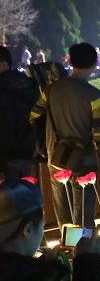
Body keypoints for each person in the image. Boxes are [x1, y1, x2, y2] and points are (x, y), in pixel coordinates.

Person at [30, 43, 100, 228]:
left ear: (71, 61)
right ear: (95, 63)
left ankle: (68, 251)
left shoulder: (51, 90)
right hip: (84, 162)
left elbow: (34, 116)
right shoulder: (96, 96)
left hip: (57, 158)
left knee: (65, 217)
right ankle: (82, 253)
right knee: (83, 217)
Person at [0, 46, 41, 182]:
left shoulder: (4, 88)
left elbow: (6, 125)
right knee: (21, 197)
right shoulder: (29, 85)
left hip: (6, 155)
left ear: (4, 64)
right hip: (26, 152)